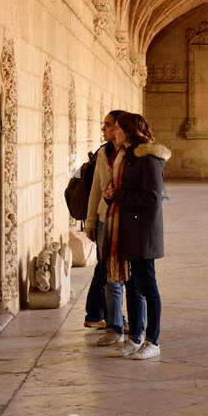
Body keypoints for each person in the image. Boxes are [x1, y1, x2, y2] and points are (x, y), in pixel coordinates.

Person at [101, 112, 170, 360]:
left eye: (118, 129)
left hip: (143, 232)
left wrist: (117, 196)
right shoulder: (129, 157)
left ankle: (154, 340)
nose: (114, 133)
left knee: (148, 286)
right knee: (132, 285)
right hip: (129, 230)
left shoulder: (148, 158)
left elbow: (153, 197)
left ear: (128, 132)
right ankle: (135, 337)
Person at [85, 110, 127, 344]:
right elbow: (95, 190)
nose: (104, 129)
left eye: (108, 125)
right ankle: (113, 321)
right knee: (106, 269)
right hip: (103, 218)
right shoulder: (103, 153)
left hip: (124, 218)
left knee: (125, 273)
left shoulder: (133, 153)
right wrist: (90, 221)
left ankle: (127, 320)